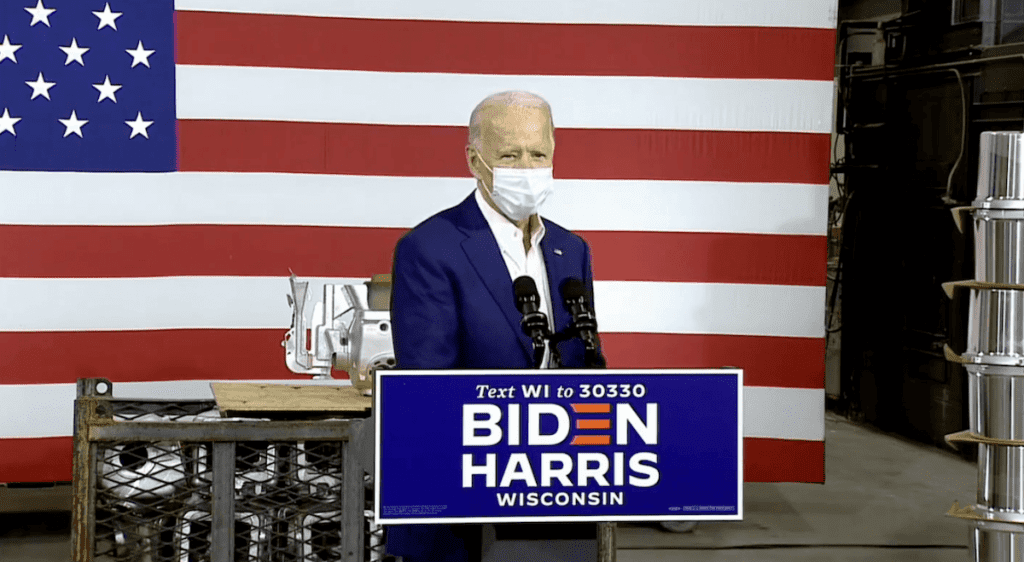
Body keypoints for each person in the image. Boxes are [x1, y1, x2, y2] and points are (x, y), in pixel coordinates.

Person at [386, 91, 600, 561]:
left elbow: (587, 368)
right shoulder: (430, 248)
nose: (526, 166)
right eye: (509, 154)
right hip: (462, 516)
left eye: (538, 153)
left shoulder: (571, 250)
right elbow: (428, 390)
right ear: (474, 160)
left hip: (559, 505)